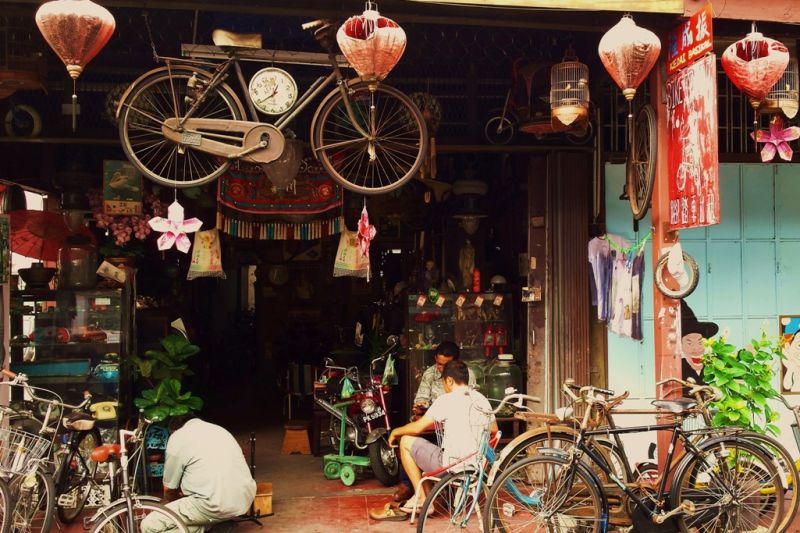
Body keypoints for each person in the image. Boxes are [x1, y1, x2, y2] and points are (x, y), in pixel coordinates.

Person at [388, 360, 497, 514]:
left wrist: (395, 432)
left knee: (406, 441)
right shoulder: (482, 399)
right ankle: (427, 498)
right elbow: (494, 431)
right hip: (475, 467)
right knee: (427, 449)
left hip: (451, 467)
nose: (444, 387)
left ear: (450, 380)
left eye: (444, 382)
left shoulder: (446, 400)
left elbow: (417, 428)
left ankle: (421, 499)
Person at [142, 414, 256, 533]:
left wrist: (174, 502)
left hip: (213, 505)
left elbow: (168, 489)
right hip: (244, 499)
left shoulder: (177, 437)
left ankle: (207, 526)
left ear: (173, 431)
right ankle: (211, 526)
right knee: (190, 516)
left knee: (149, 525)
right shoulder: (219, 430)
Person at [393, 341, 475, 502]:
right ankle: (407, 483)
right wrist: (421, 407)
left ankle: (433, 490)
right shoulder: (430, 374)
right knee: (413, 434)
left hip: (456, 425)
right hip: (432, 421)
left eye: (446, 365)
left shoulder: (466, 375)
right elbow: (421, 399)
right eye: (438, 363)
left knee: (407, 438)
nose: (441, 368)